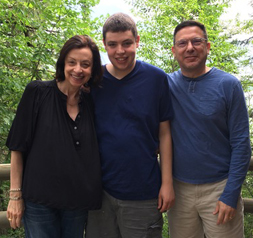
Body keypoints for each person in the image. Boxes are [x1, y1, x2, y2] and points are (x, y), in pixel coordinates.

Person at [85, 12, 175, 238]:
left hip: (143, 191)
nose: (120, 51)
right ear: (104, 45)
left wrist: (167, 183)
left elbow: (164, 134)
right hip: (100, 192)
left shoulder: (156, 79)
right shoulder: (94, 80)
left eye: (126, 43)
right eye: (112, 44)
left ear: (137, 40)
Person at [6, 35, 103, 237]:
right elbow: (17, 146)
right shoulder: (38, 92)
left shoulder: (91, 102)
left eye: (85, 64)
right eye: (72, 62)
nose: (78, 69)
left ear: (92, 69)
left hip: (77, 202)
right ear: (62, 63)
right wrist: (15, 196)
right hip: (39, 201)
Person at [167, 20, 251, 238]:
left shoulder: (228, 84)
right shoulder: (165, 85)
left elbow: (241, 143)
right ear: (174, 51)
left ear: (208, 46)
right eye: (182, 43)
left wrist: (230, 194)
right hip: (179, 190)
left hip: (220, 188)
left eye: (197, 41)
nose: (190, 48)